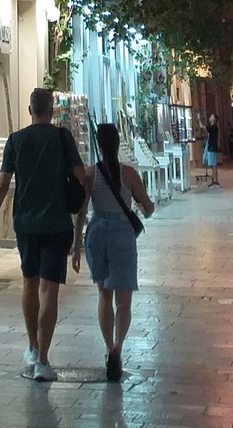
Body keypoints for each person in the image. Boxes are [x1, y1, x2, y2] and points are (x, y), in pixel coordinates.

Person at [0, 87, 87, 381]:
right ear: (51, 110)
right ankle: (43, 360)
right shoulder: (61, 137)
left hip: (26, 225)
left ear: (30, 110)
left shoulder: (15, 140)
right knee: (48, 290)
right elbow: (80, 176)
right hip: (57, 224)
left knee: (29, 284)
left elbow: (2, 183)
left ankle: (31, 345)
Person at [77, 123, 155, 381]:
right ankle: (119, 348)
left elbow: (81, 210)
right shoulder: (129, 174)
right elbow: (148, 207)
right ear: (118, 143)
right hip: (122, 234)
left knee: (103, 295)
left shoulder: (91, 173)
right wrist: (141, 208)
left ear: (98, 144)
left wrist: (77, 244)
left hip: (97, 232)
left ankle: (108, 346)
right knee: (124, 301)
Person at [202, 113, 222, 187]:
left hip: (211, 148)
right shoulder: (214, 128)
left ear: (214, 119)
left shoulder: (213, 127)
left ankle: (215, 181)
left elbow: (202, 127)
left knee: (213, 165)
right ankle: (215, 180)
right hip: (212, 147)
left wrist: (198, 119)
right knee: (213, 165)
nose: (210, 117)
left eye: (211, 116)